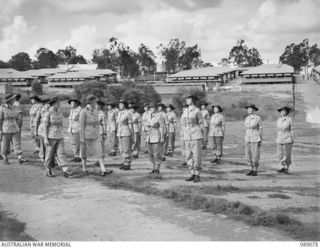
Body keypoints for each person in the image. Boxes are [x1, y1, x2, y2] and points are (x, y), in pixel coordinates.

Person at [79, 95, 113, 176]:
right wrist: (82, 138)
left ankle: (103, 169)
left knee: (99, 151)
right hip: (86, 135)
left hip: (95, 135)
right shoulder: (83, 111)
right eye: (94, 102)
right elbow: (81, 126)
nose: (96, 103)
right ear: (90, 102)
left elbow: (98, 123)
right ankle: (84, 168)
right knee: (84, 152)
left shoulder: (95, 111)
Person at [43, 97, 74, 178]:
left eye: (59, 102)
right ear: (54, 104)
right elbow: (45, 127)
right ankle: (48, 169)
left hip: (60, 135)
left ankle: (65, 170)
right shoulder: (48, 113)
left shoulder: (60, 112)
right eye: (57, 103)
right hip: (51, 136)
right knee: (49, 154)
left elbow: (61, 124)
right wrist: (45, 138)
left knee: (61, 153)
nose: (59, 104)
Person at [0, 94, 28, 165]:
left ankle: (20, 158)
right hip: (5, 129)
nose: (14, 100)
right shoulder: (2, 108)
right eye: (13, 99)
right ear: (9, 100)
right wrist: (0, 130)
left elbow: (18, 117)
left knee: (17, 144)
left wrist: (19, 126)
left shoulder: (15, 107)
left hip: (15, 128)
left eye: (14, 99)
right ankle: (5, 158)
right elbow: (0, 120)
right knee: (5, 145)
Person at [184, 95, 203, 183]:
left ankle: (197, 174)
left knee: (196, 155)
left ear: (192, 100)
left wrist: (200, 133)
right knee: (188, 155)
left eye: (188, 99)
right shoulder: (185, 111)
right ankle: (192, 173)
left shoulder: (197, 110)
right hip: (187, 135)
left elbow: (201, 123)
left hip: (196, 134)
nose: (187, 100)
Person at [145, 102, 165, 174]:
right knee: (150, 153)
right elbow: (145, 125)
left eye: (152, 107)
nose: (151, 109)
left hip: (156, 135)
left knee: (156, 153)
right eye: (150, 108)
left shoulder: (159, 116)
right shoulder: (148, 116)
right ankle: (153, 167)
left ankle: (157, 169)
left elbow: (162, 127)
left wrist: (162, 137)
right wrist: (145, 129)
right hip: (149, 136)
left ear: (156, 108)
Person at [244, 104, 262, 176]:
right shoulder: (247, 118)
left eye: (250, 109)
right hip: (247, 136)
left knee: (255, 154)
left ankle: (255, 169)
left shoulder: (257, 118)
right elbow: (246, 128)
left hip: (255, 136)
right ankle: (251, 168)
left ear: (254, 110)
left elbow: (260, 128)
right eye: (248, 109)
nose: (248, 110)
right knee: (248, 153)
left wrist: (260, 138)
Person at [117, 99, 134, 170]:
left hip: (126, 132)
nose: (120, 105)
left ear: (125, 105)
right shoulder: (119, 113)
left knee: (127, 149)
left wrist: (132, 134)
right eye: (119, 104)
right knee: (121, 149)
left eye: (121, 104)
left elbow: (130, 124)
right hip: (120, 132)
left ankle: (128, 164)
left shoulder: (128, 113)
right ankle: (124, 162)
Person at [276, 106, 294, 174]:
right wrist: (277, 138)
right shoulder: (278, 120)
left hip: (287, 137)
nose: (282, 112)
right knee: (280, 154)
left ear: (287, 112)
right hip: (279, 138)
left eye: (284, 111)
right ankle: (283, 167)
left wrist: (292, 138)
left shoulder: (289, 119)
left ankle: (287, 168)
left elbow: (291, 129)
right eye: (281, 111)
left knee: (287, 154)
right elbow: (277, 130)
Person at [35, 96, 50, 164]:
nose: (49, 105)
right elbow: (37, 121)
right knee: (43, 145)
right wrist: (35, 131)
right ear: (44, 104)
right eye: (47, 103)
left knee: (49, 145)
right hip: (42, 130)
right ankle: (43, 157)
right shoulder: (40, 111)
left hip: (49, 130)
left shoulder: (51, 110)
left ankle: (49, 158)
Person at [67, 98, 82, 163]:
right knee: (72, 143)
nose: (71, 104)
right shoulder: (72, 110)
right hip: (71, 129)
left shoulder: (80, 109)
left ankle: (78, 157)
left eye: (72, 103)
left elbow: (81, 119)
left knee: (77, 143)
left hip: (77, 129)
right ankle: (76, 156)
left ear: (76, 103)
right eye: (71, 103)